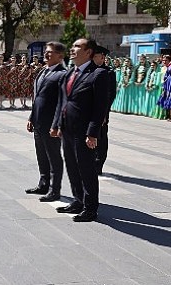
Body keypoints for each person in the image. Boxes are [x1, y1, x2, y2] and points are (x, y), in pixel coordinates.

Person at [56, 38, 109, 222]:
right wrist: (59, 125)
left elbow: (100, 107)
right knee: (72, 167)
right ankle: (78, 200)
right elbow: (65, 101)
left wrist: (93, 133)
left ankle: (90, 208)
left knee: (86, 169)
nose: (72, 49)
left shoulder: (98, 74)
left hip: (84, 132)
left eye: (77, 46)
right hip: (68, 129)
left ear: (88, 52)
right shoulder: (71, 72)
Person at [26, 42, 67, 202]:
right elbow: (37, 98)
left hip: (51, 124)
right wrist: (31, 117)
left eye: (50, 52)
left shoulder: (62, 74)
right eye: (46, 52)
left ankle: (54, 189)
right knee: (41, 155)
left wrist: (57, 125)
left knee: (54, 157)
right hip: (38, 122)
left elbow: (62, 102)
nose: (46, 54)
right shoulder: (43, 71)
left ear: (60, 56)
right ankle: (43, 184)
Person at [92, 46, 117, 176]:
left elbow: (111, 94)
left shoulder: (108, 73)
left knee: (101, 137)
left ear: (102, 57)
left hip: (101, 112)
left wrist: (104, 112)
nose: (92, 58)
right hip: (88, 111)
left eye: (95, 56)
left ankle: (98, 163)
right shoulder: (88, 71)